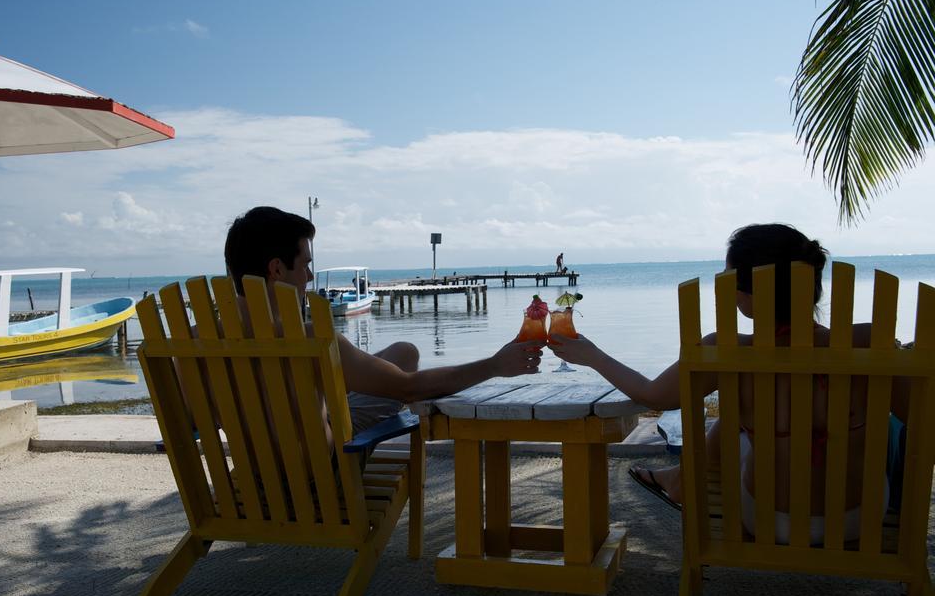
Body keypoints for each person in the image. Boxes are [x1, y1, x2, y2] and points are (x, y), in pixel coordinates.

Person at [547, 223, 910, 544]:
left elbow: (652, 395)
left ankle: (679, 480)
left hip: (769, 520)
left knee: (743, 413)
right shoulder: (870, 342)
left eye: (729, 278)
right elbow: (917, 418)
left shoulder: (726, 350)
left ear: (751, 291)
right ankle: (677, 479)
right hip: (858, 519)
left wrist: (592, 355)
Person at [224, 206, 543, 444]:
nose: (309, 277)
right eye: (306, 264)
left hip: (251, 480)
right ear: (277, 269)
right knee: (402, 374)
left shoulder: (196, 342)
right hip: (321, 474)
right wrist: (495, 365)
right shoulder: (312, 340)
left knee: (403, 351)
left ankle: (343, 387)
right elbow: (410, 388)